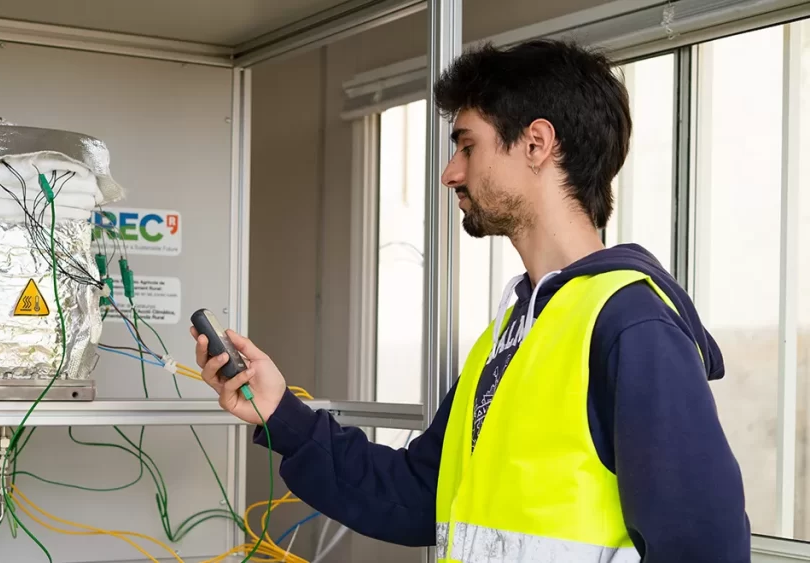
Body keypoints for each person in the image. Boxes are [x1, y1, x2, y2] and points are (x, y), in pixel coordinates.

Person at [191, 39, 750, 563]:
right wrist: (280, 413)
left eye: (467, 145)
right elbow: (418, 494)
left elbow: (704, 545)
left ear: (536, 144)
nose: (450, 172)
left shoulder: (631, 324)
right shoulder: (510, 336)